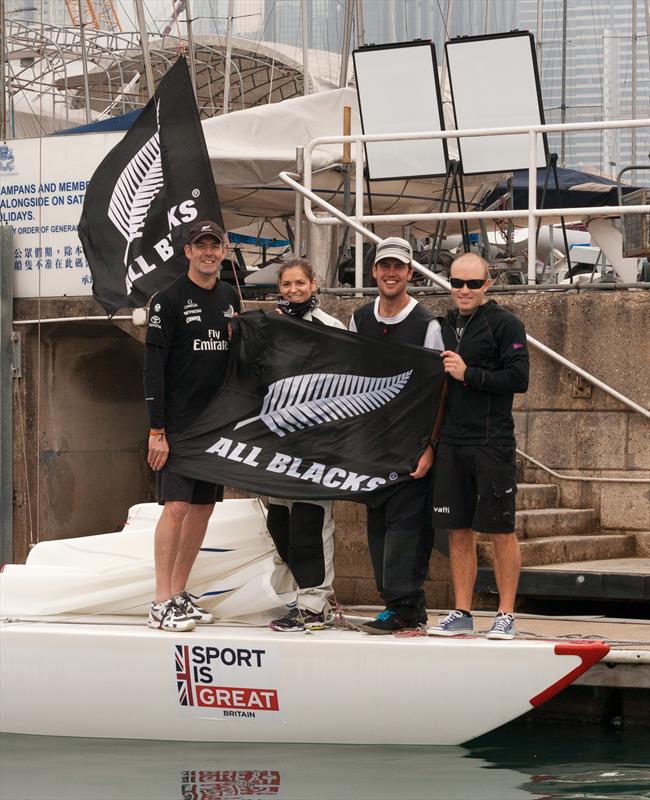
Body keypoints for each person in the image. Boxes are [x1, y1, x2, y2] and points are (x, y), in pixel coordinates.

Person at [144, 220, 241, 632]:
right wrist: (157, 431)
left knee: (202, 508)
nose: (208, 252)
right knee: (177, 507)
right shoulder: (167, 300)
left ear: (224, 251)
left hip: (214, 427)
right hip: (177, 427)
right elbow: (153, 369)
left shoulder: (229, 297)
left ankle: (180, 593)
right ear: (187, 251)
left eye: (214, 245)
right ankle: (160, 600)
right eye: (200, 245)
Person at [428, 252, 529, 640]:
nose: (464, 291)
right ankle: (462, 610)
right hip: (452, 441)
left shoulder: (507, 324)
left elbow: (519, 378)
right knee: (457, 528)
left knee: (500, 528)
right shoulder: (442, 325)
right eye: (457, 283)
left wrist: (468, 374)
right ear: (449, 284)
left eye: (472, 283)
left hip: (492, 441)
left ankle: (505, 613)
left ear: (487, 284)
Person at [349, 237, 444, 634]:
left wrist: (430, 445)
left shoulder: (428, 324)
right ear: (374, 271)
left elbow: (441, 390)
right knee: (379, 528)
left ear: (409, 273)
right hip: (373, 444)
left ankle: (403, 607)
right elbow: (348, 381)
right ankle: (405, 608)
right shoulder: (360, 319)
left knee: (408, 529)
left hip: (411, 444)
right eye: (384, 265)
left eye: (398, 267)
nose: (390, 273)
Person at [267, 258, 346, 632]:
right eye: (286, 284)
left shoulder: (332, 328)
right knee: (279, 524)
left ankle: (315, 603)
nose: (293, 290)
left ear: (314, 284)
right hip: (277, 444)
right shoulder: (269, 327)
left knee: (311, 524)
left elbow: (347, 384)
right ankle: (293, 600)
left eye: (300, 283)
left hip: (317, 446)